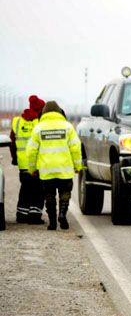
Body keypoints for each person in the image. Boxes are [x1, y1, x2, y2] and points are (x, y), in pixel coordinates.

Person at [26, 101, 83, 231]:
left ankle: (52, 223)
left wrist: (32, 169)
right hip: (65, 169)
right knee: (65, 193)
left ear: (43, 113)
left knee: (49, 195)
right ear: (60, 112)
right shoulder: (68, 127)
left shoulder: (38, 128)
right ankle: (62, 214)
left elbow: (31, 151)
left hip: (47, 171)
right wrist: (78, 166)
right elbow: (76, 147)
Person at [9, 95, 46, 224]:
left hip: (23, 165)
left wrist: (15, 158)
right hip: (37, 164)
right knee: (38, 190)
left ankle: (21, 215)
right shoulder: (41, 123)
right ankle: (34, 216)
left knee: (25, 189)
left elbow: (12, 142)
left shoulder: (17, 122)